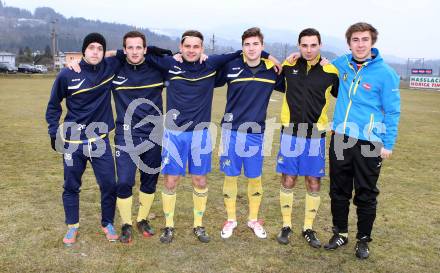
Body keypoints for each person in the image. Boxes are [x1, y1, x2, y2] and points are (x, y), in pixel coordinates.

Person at [323, 22, 400, 259]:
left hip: (369, 143)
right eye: (355, 40)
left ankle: (363, 240)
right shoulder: (342, 64)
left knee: (366, 193)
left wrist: (387, 144)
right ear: (349, 43)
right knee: (338, 190)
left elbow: (393, 111)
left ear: (372, 42)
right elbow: (318, 63)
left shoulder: (386, 73)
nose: (360, 44)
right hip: (340, 139)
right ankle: (341, 233)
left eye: (364, 39)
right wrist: (295, 55)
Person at [45, 33, 121, 246]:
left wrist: (177, 55)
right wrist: (53, 133)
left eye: (100, 48)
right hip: (73, 142)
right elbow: (53, 105)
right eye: (91, 47)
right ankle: (72, 227)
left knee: (109, 184)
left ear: (104, 52)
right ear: (83, 51)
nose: (95, 51)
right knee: (71, 185)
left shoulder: (109, 68)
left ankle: (107, 223)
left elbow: (132, 51)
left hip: (100, 141)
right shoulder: (66, 75)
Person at [215, 27, 282, 239]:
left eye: (256, 44)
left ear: (262, 46)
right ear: (242, 47)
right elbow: (212, 65)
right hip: (230, 131)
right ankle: (231, 219)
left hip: (256, 133)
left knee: (255, 177)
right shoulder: (231, 67)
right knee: (230, 176)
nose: (251, 48)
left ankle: (253, 219)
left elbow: (296, 79)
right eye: (247, 44)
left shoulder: (272, 71)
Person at [275, 28, 339, 248]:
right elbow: (275, 81)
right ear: (299, 46)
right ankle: (286, 225)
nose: (309, 50)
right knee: (288, 179)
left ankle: (308, 228)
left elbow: (344, 93)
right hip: (290, 134)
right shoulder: (289, 66)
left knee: (313, 182)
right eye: (305, 45)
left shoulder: (331, 71)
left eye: (313, 45)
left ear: (320, 45)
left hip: (315, 137)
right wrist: (284, 61)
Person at [111, 31, 170, 243]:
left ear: (145, 49)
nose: (135, 52)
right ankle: (126, 223)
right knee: (124, 181)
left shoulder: (158, 69)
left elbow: (174, 58)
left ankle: (142, 219)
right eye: (130, 47)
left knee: (149, 180)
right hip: (125, 136)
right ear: (124, 49)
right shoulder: (115, 70)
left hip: (153, 135)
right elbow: (97, 59)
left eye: (139, 47)